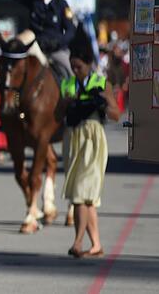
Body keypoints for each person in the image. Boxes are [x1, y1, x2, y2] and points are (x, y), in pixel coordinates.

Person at [61, 30, 119, 259]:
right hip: (73, 138)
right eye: (73, 67)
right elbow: (57, 115)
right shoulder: (67, 84)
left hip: (93, 138)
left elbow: (116, 114)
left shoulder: (100, 82)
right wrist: (66, 103)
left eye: (79, 67)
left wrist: (102, 102)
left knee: (81, 193)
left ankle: (77, 243)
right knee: (87, 197)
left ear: (88, 64)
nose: (75, 72)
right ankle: (96, 245)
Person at [5, 0, 76, 80]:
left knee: (71, 71)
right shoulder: (33, 0)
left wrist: (59, 42)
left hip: (56, 49)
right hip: (35, 46)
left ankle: (74, 98)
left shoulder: (61, 5)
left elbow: (71, 30)